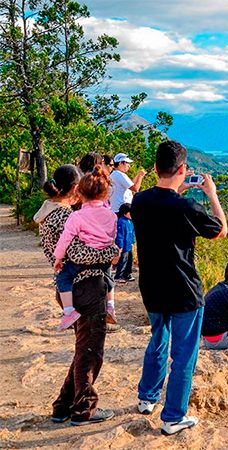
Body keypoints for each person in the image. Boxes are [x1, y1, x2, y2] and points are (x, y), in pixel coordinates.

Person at [131, 140, 227, 436]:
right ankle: (173, 416)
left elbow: (162, 205)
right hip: (184, 291)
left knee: (158, 341)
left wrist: (178, 190)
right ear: (183, 169)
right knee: (184, 356)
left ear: (157, 167)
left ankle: (147, 398)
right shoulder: (186, 207)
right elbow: (220, 230)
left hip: (152, 287)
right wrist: (211, 195)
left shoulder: (140, 201)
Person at [37, 164, 118, 426]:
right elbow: (78, 255)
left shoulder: (52, 214)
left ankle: (63, 406)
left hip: (73, 289)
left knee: (84, 348)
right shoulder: (64, 216)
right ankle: (83, 409)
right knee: (91, 352)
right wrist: (111, 253)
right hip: (87, 287)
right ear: (75, 189)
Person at [52, 167, 119, 331]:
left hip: (83, 261)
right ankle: (110, 305)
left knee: (63, 277)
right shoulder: (111, 215)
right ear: (105, 195)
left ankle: (68, 311)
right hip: (104, 260)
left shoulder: (76, 216)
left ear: (80, 194)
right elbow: (113, 236)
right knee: (109, 277)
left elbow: (65, 239)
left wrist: (58, 258)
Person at [114, 203, 135, 283]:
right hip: (124, 247)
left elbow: (132, 232)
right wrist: (120, 246)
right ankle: (118, 276)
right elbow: (120, 236)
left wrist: (133, 241)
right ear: (125, 213)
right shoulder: (121, 222)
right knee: (123, 261)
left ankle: (127, 274)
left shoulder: (130, 221)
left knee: (129, 260)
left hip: (129, 245)